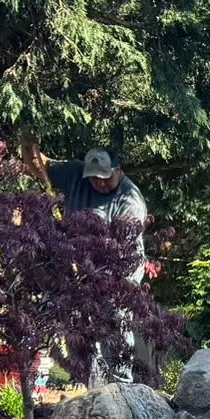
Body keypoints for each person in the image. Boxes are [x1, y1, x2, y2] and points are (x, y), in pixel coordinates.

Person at [45, 146, 150, 382]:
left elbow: (119, 252)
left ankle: (121, 382)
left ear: (118, 171)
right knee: (74, 322)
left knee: (112, 318)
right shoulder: (74, 173)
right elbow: (39, 164)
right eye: (94, 178)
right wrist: (28, 140)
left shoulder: (130, 201)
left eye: (105, 179)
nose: (99, 184)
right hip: (81, 267)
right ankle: (87, 381)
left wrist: (91, 270)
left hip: (118, 269)